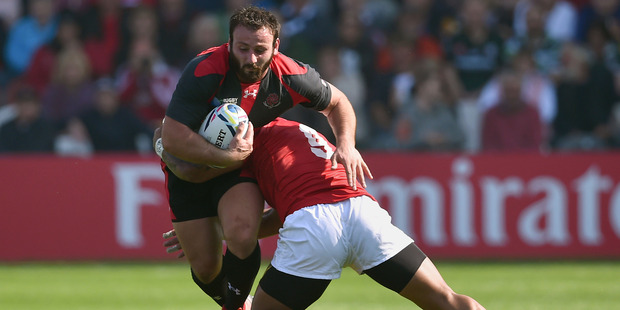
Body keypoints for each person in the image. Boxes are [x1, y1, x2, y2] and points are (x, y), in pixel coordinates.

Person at [158, 6, 370, 310]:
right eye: (242, 49)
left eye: (260, 50)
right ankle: (239, 302)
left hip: (237, 168)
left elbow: (337, 102)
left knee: (242, 233)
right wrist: (222, 155)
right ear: (230, 43)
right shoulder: (205, 69)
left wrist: (347, 144)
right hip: (189, 166)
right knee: (205, 267)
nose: (251, 58)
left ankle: (236, 306)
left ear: (276, 47)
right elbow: (172, 135)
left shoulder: (290, 73)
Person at [162, 118, 486, 310]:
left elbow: (251, 222)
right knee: (447, 301)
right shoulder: (293, 130)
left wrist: (209, 231)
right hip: (363, 213)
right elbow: (292, 206)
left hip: (315, 227)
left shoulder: (247, 148)